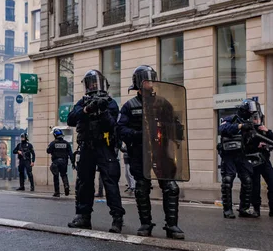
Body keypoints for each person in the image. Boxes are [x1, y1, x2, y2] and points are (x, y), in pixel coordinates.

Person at [117, 65, 185, 239]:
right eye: (147, 79)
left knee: (170, 187)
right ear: (139, 83)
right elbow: (120, 129)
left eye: (152, 79)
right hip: (140, 152)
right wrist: (139, 135)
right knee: (141, 187)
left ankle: (172, 225)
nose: (150, 82)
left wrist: (176, 131)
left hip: (161, 151)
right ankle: (146, 224)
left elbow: (174, 123)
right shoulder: (129, 106)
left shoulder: (162, 103)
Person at [67, 70, 124, 232]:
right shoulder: (83, 102)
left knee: (110, 182)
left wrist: (103, 111)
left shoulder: (110, 102)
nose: (93, 86)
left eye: (95, 82)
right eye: (90, 83)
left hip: (104, 146)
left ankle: (117, 219)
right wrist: (86, 110)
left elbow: (113, 125)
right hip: (86, 147)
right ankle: (83, 216)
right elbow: (70, 119)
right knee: (84, 182)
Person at [217, 99, 260, 219]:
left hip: (241, 154)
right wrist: (240, 126)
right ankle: (227, 210)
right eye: (249, 112)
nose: (250, 114)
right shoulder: (232, 118)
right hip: (229, 154)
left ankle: (244, 209)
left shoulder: (250, 122)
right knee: (227, 180)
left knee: (247, 180)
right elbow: (222, 129)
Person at [243, 101, 273, 217]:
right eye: (254, 118)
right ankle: (256, 208)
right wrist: (255, 145)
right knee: (255, 186)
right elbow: (244, 146)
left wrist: (268, 132)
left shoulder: (263, 130)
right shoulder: (246, 131)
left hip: (264, 160)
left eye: (257, 118)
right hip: (253, 161)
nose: (256, 120)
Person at [46, 128, 75, 198]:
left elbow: (48, 151)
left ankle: (57, 192)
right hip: (64, 162)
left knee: (56, 177)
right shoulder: (67, 143)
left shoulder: (53, 143)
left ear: (55, 135)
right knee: (64, 175)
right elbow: (71, 154)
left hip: (56, 162)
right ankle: (66, 186)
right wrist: (73, 163)